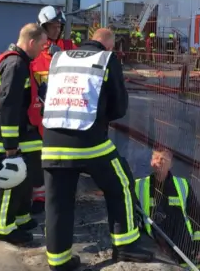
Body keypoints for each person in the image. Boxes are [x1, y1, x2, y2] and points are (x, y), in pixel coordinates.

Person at [41, 28, 154, 270]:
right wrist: (101, 117)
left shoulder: (60, 57)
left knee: (57, 202)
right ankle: (125, 245)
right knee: (121, 182)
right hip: (88, 142)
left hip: (51, 142)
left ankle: (59, 262)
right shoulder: (106, 60)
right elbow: (119, 106)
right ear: (109, 46)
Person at [0, 23, 48, 245]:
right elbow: (9, 106)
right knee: (10, 180)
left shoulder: (19, 61)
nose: (43, 50)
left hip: (24, 131)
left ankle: (21, 217)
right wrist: (10, 143)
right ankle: (3, 227)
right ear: (31, 42)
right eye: (41, 45)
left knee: (26, 178)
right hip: (10, 134)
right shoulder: (15, 64)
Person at [28, 6, 77, 215]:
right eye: (52, 26)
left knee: (62, 158)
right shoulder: (34, 51)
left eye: (59, 26)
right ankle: (39, 196)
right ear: (43, 26)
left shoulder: (68, 46)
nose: (56, 29)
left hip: (63, 112)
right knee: (38, 158)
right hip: (38, 113)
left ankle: (59, 195)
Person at [135, 148, 200, 270]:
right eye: (156, 158)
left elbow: (196, 216)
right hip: (156, 253)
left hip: (186, 252)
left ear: (171, 164)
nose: (159, 161)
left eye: (163, 158)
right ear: (151, 162)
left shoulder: (182, 185)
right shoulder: (139, 186)